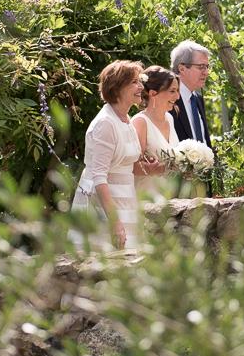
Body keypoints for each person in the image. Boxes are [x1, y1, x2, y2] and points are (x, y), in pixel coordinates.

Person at [71, 60, 157, 250]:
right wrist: (114, 221)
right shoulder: (105, 123)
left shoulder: (126, 119)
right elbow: (99, 176)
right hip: (103, 204)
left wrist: (147, 164)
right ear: (117, 88)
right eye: (135, 82)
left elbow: (124, 162)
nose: (141, 87)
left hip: (126, 198)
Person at [131, 66, 181, 201]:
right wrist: (156, 169)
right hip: (145, 201)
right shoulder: (140, 122)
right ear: (153, 93)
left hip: (167, 200)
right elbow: (132, 167)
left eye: (177, 91)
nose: (177, 96)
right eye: (172, 91)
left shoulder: (169, 118)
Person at [169, 40, 213, 149]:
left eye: (207, 67)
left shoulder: (197, 99)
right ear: (182, 68)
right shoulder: (167, 100)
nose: (206, 72)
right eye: (201, 66)